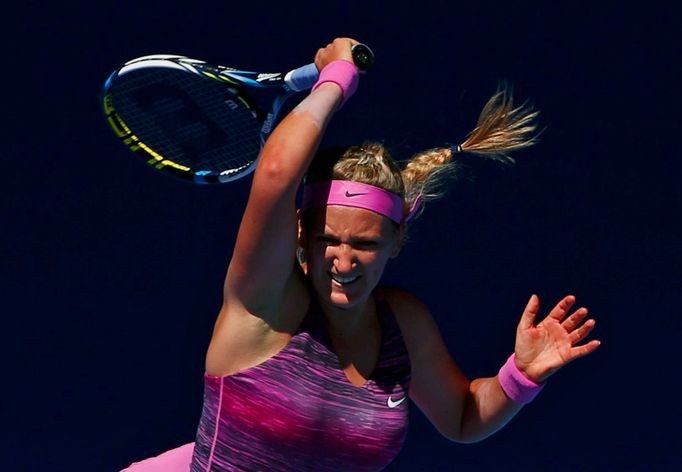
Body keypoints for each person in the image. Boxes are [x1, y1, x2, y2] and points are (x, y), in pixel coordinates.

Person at [122, 37, 600, 472]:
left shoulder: (403, 325)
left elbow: (461, 417)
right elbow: (275, 176)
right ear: (299, 235)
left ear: (397, 241)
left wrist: (521, 376)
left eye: (366, 244)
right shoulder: (266, 304)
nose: (344, 261)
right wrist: (335, 81)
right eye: (328, 240)